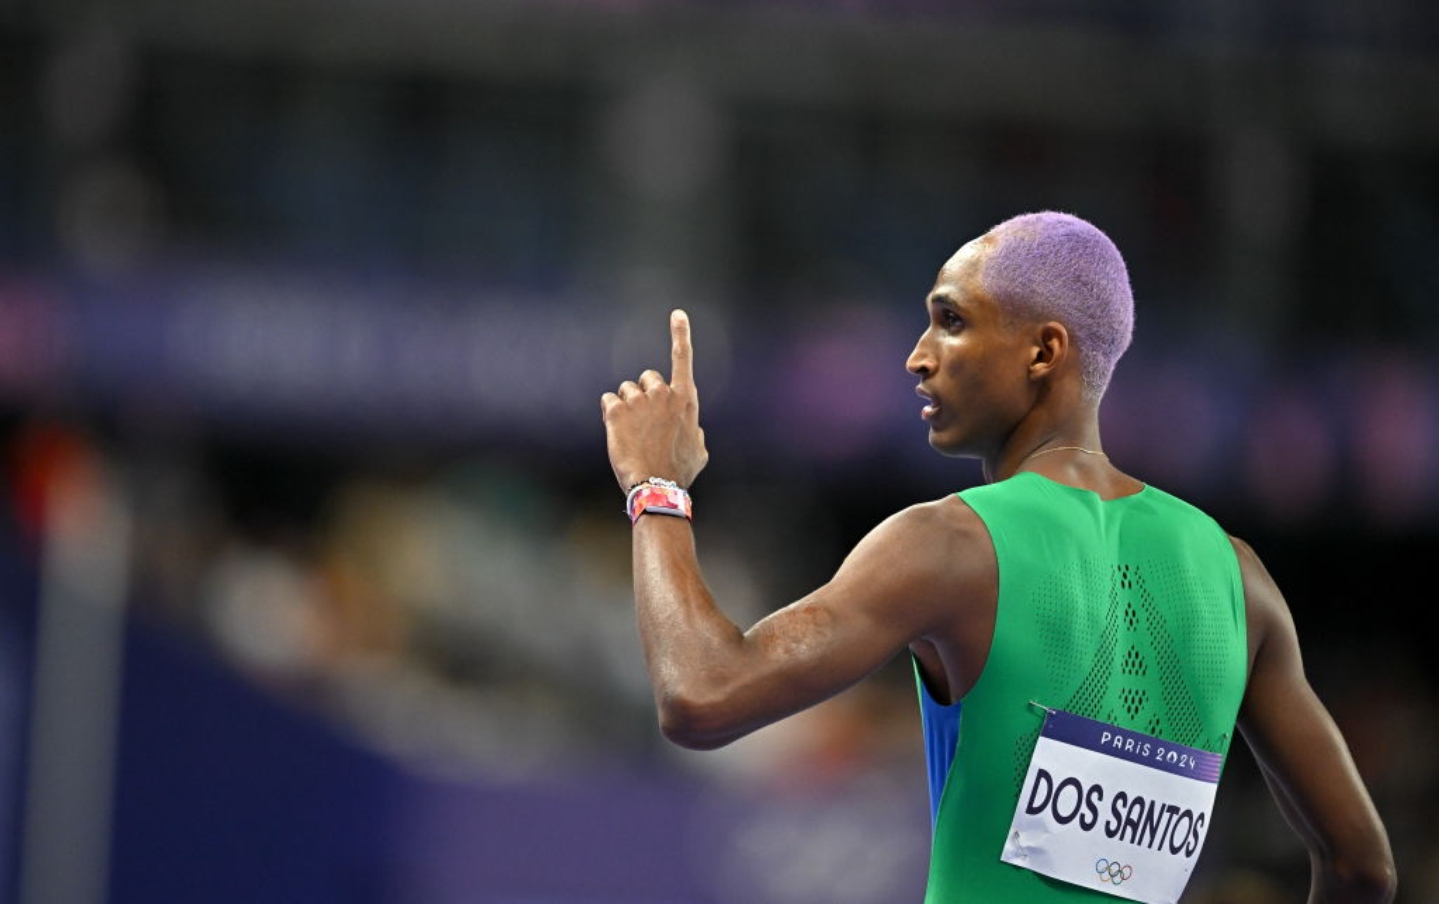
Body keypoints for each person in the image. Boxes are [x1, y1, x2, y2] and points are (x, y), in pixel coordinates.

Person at [599, 211, 1396, 903]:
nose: (916, 355)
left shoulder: (950, 545)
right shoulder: (1237, 578)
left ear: (1043, 351)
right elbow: (1361, 868)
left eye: (950, 320)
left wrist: (655, 487)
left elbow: (701, 695)